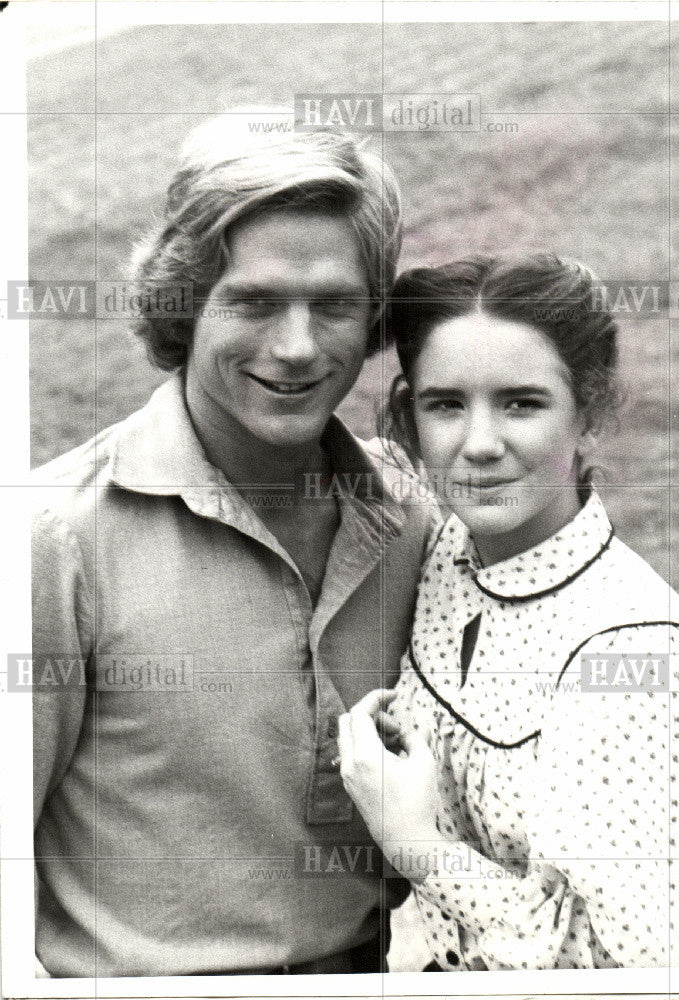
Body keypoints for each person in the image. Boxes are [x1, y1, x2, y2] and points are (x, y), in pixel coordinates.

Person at [31, 107, 436, 977]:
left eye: (333, 306)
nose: (296, 349)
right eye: (252, 301)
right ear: (182, 301)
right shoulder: (53, 539)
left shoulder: (412, 521)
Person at [337, 254, 679, 969]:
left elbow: (650, 978)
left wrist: (420, 847)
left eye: (522, 403)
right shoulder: (445, 550)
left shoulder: (640, 665)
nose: (479, 444)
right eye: (446, 405)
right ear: (408, 419)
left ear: (588, 414)